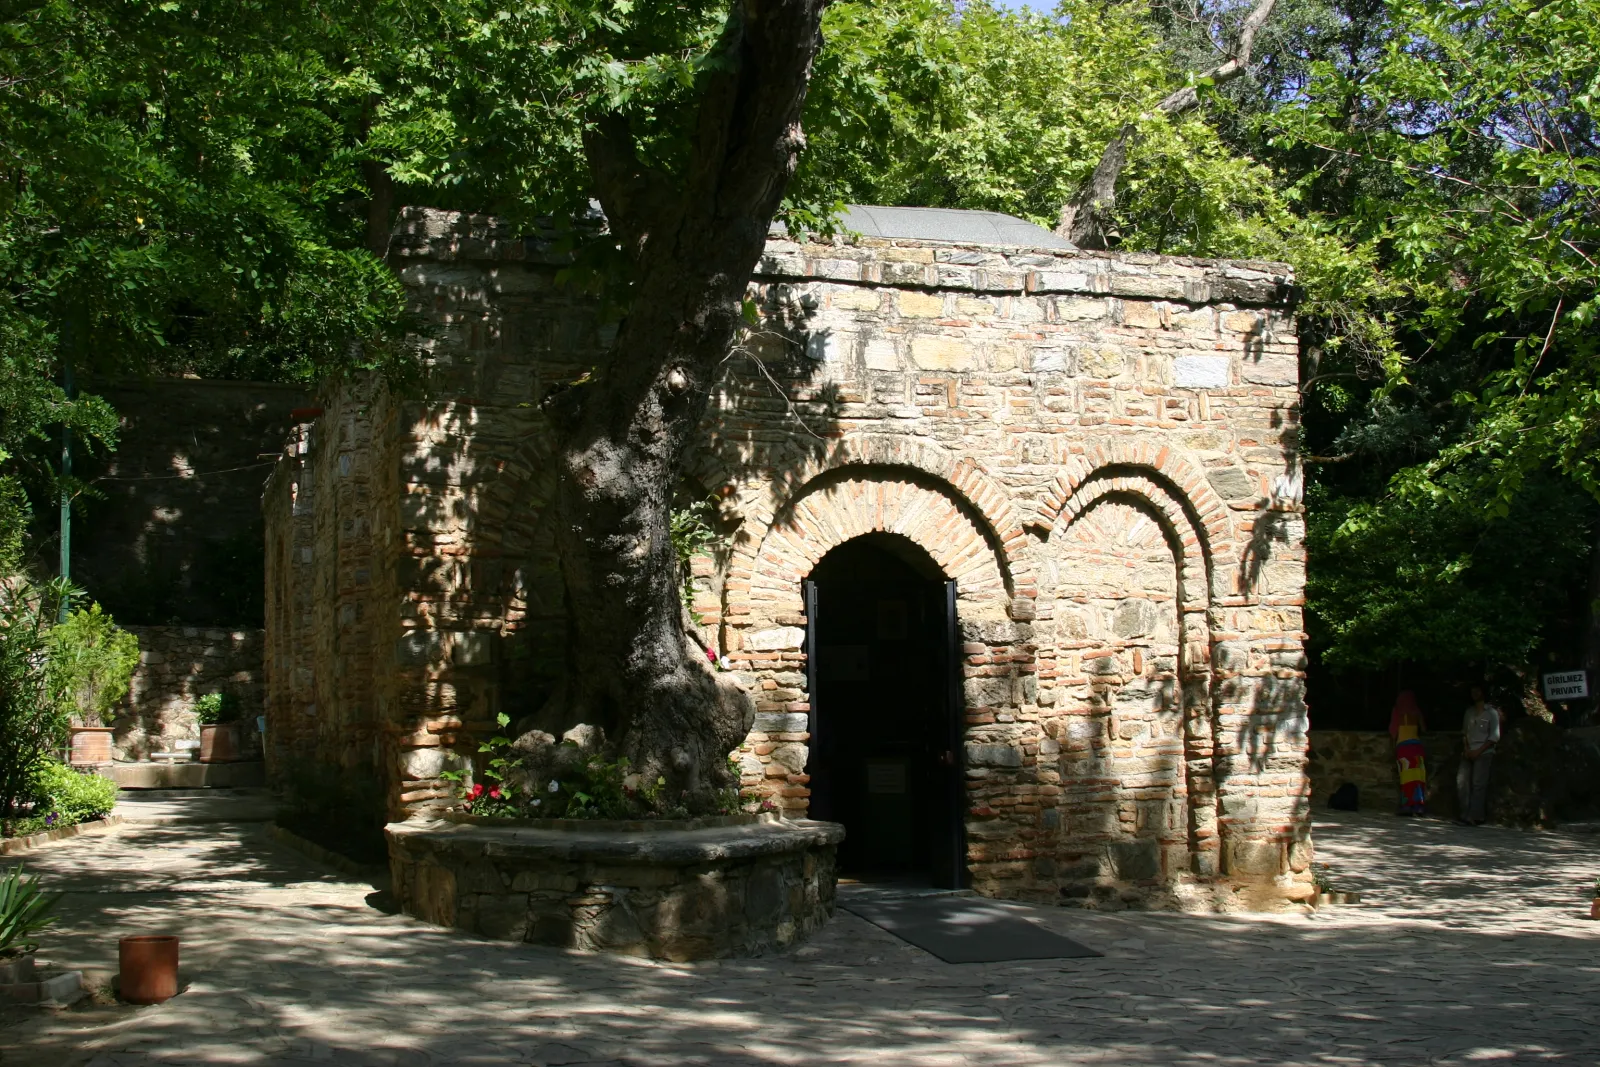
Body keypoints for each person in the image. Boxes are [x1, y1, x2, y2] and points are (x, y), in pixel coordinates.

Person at [1457, 684, 1500, 825]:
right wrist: (1467, 749)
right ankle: (1464, 814)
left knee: (1478, 784)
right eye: (1472, 690)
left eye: (1477, 690)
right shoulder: (1469, 712)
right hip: (1469, 751)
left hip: (1484, 752)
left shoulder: (1491, 713)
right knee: (1461, 782)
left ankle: (1476, 816)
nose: (1474, 693)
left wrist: (1478, 751)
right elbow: (1464, 733)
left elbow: (1494, 736)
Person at [1388, 690, 1428, 815]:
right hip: (1417, 747)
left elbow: (1393, 732)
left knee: (1406, 779)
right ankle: (1419, 806)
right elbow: (1424, 728)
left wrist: (1392, 748)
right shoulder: (1416, 711)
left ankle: (1407, 806)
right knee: (1418, 778)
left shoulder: (1397, 711)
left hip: (1404, 748)